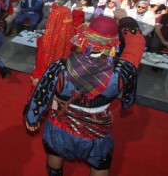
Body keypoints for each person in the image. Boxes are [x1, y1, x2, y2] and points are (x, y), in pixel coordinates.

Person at [24, 15, 145, 176]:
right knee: (99, 167)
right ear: (113, 44)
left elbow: (42, 92)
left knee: (55, 154)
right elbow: (137, 44)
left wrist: (32, 117)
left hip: (61, 127)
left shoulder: (60, 67)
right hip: (97, 133)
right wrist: (125, 19)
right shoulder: (122, 70)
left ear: (84, 39)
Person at [30, 4, 75, 86]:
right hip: (60, 80)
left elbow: (40, 60)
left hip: (44, 77)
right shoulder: (72, 39)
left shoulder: (43, 40)